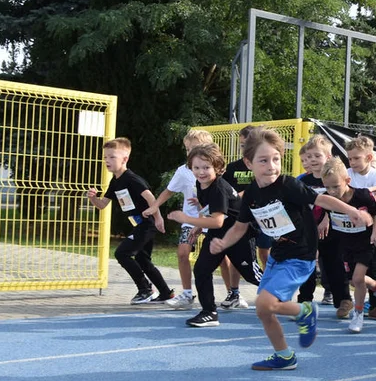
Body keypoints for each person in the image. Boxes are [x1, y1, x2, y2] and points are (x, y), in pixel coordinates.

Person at [210, 128, 369, 371]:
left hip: (301, 254)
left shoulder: (288, 185)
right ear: (248, 163)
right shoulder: (251, 193)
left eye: (276, 159)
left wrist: (350, 210)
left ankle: (305, 311)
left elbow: (322, 199)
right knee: (263, 311)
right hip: (278, 255)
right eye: (264, 160)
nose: (272, 166)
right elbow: (240, 228)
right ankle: (284, 356)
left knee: (265, 303)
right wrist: (223, 243)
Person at [167, 142, 261, 327]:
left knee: (251, 275)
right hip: (218, 235)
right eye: (196, 168)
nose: (201, 172)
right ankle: (209, 312)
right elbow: (210, 212)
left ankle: (282, 296)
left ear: (217, 168)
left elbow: (217, 220)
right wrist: (199, 227)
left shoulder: (219, 187)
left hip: (238, 234)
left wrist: (186, 218)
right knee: (202, 269)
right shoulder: (200, 184)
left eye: (206, 167)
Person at [85, 138, 174, 304]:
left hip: (147, 224)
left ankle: (145, 289)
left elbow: (150, 197)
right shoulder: (115, 181)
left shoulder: (132, 179)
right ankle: (166, 293)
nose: (107, 161)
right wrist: (93, 198)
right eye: (105, 157)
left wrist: (158, 218)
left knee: (122, 253)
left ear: (125, 159)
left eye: (112, 157)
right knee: (142, 260)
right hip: (139, 225)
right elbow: (102, 205)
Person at [142, 129, 214, 309]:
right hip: (190, 220)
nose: (190, 152)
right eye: (187, 149)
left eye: (194, 148)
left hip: (211, 219)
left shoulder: (215, 169)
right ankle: (187, 294)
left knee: (223, 258)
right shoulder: (183, 171)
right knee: (182, 253)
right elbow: (169, 191)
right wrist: (154, 206)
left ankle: (233, 292)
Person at [320, 158, 376, 333]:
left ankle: (358, 315)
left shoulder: (362, 196)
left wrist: (374, 233)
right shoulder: (328, 199)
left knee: (357, 279)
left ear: (347, 181)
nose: (332, 191)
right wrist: (325, 220)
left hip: (365, 243)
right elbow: (329, 212)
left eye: (336, 186)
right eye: (327, 187)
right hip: (345, 244)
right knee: (353, 280)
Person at [222, 126, 271, 309]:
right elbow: (226, 193)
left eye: (249, 144)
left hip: (264, 217)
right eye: (242, 145)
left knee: (265, 255)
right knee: (238, 256)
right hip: (242, 219)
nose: (245, 148)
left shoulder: (265, 164)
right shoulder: (232, 168)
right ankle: (234, 293)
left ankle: (271, 293)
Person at [295, 134, 332, 305]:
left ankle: (333, 292)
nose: (313, 160)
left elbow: (340, 200)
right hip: (307, 228)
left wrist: (327, 217)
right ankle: (305, 299)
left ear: (328, 157)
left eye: (318, 156)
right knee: (308, 260)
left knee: (330, 260)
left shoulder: (333, 178)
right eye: (309, 157)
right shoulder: (302, 180)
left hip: (330, 228)